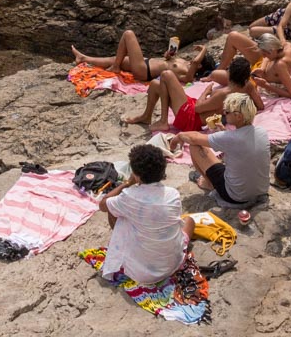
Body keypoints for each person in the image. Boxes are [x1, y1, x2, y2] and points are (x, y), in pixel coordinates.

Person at [96, 144, 193, 286]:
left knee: (115, 210)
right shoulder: (173, 194)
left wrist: (127, 183)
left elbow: (103, 205)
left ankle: (125, 247)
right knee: (189, 220)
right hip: (173, 264)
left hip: (141, 273)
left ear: (136, 175)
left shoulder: (129, 197)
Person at [175, 92, 269, 210]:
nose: (224, 113)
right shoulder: (261, 132)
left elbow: (194, 138)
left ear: (238, 116)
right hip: (260, 190)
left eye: (227, 112)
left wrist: (178, 137)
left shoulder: (230, 138)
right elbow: (238, 145)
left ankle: (209, 183)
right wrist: (224, 131)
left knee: (194, 146)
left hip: (235, 196)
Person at [127, 54, 261, 129]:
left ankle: (163, 121)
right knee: (156, 84)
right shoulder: (247, 86)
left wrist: (206, 92)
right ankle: (146, 116)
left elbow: (197, 109)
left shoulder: (223, 94)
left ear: (230, 73)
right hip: (193, 112)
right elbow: (261, 106)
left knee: (167, 74)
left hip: (190, 119)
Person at [73, 30, 203, 85]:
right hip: (146, 62)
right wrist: (169, 54)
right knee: (117, 57)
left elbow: (196, 62)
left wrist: (204, 50)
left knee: (128, 34)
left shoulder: (188, 74)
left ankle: (116, 68)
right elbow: (166, 60)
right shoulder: (185, 63)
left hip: (144, 70)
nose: (193, 59)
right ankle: (83, 58)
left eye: (197, 61)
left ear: (200, 66)